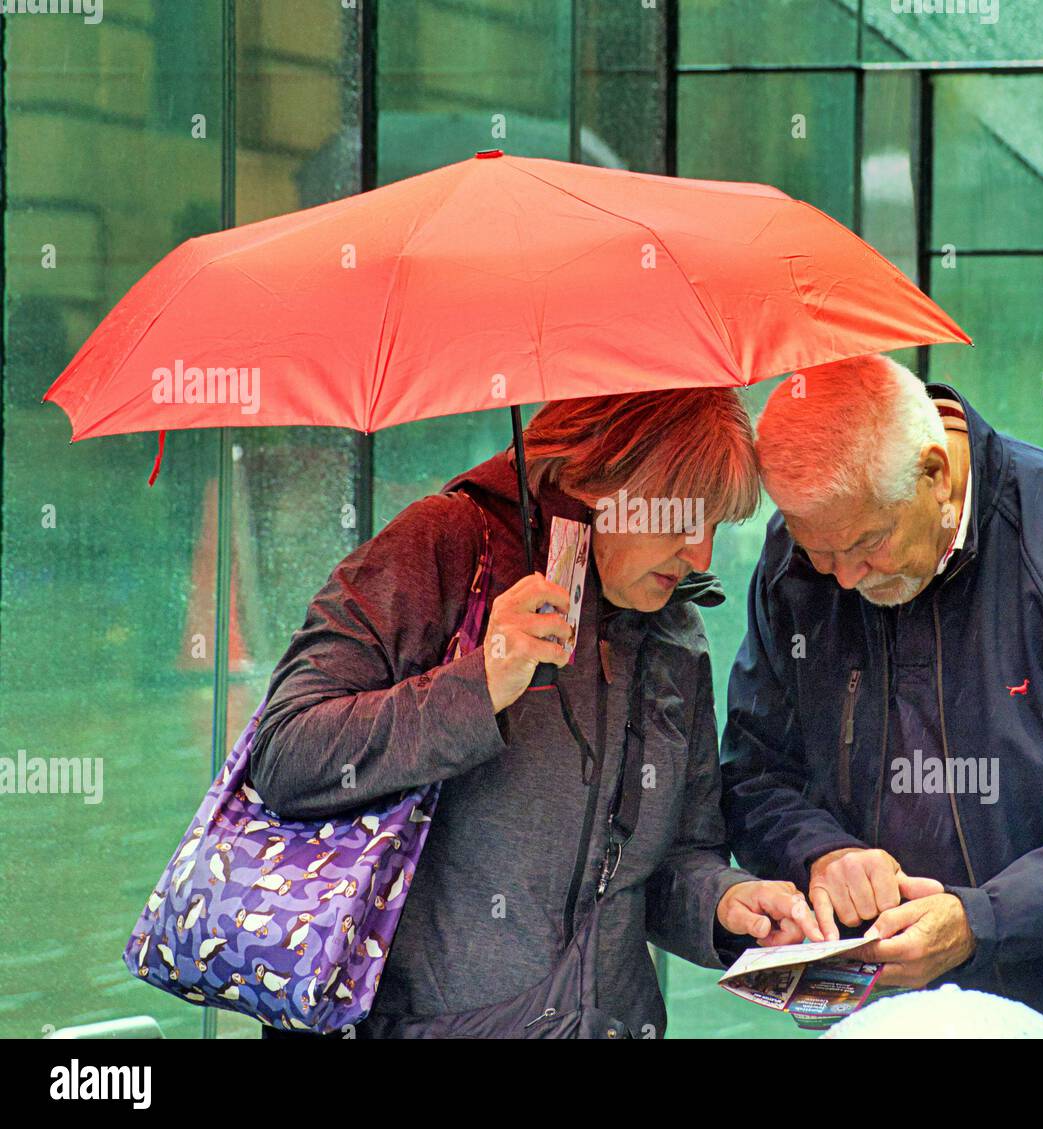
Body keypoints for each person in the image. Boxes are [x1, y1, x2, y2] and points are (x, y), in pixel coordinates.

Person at [249, 388, 820, 1039]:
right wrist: (478, 685)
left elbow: (669, 860)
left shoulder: (676, 630)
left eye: (716, 524)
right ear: (601, 476)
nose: (701, 556)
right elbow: (285, 755)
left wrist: (723, 901)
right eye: (682, 519)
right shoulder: (442, 545)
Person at [720, 353, 1043, 1038]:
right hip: (905, 1018)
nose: (845, 578)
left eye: (868, 543)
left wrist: (983, 918)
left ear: (935, 474)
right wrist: (821, 850)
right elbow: (754, 774)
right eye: (821, 552)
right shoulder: (799, 559)